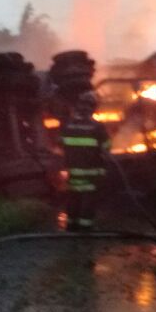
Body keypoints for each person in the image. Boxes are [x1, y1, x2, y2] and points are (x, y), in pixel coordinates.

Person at [60, 91, 108, 231]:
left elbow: (61, 143)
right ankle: (85, 228)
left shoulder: (68, 126)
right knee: (88, 199)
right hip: (91, 172)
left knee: (73, 197)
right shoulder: (97, 127)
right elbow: (106, 147)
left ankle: (71, 225)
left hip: (72, 170)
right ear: (93, 108)